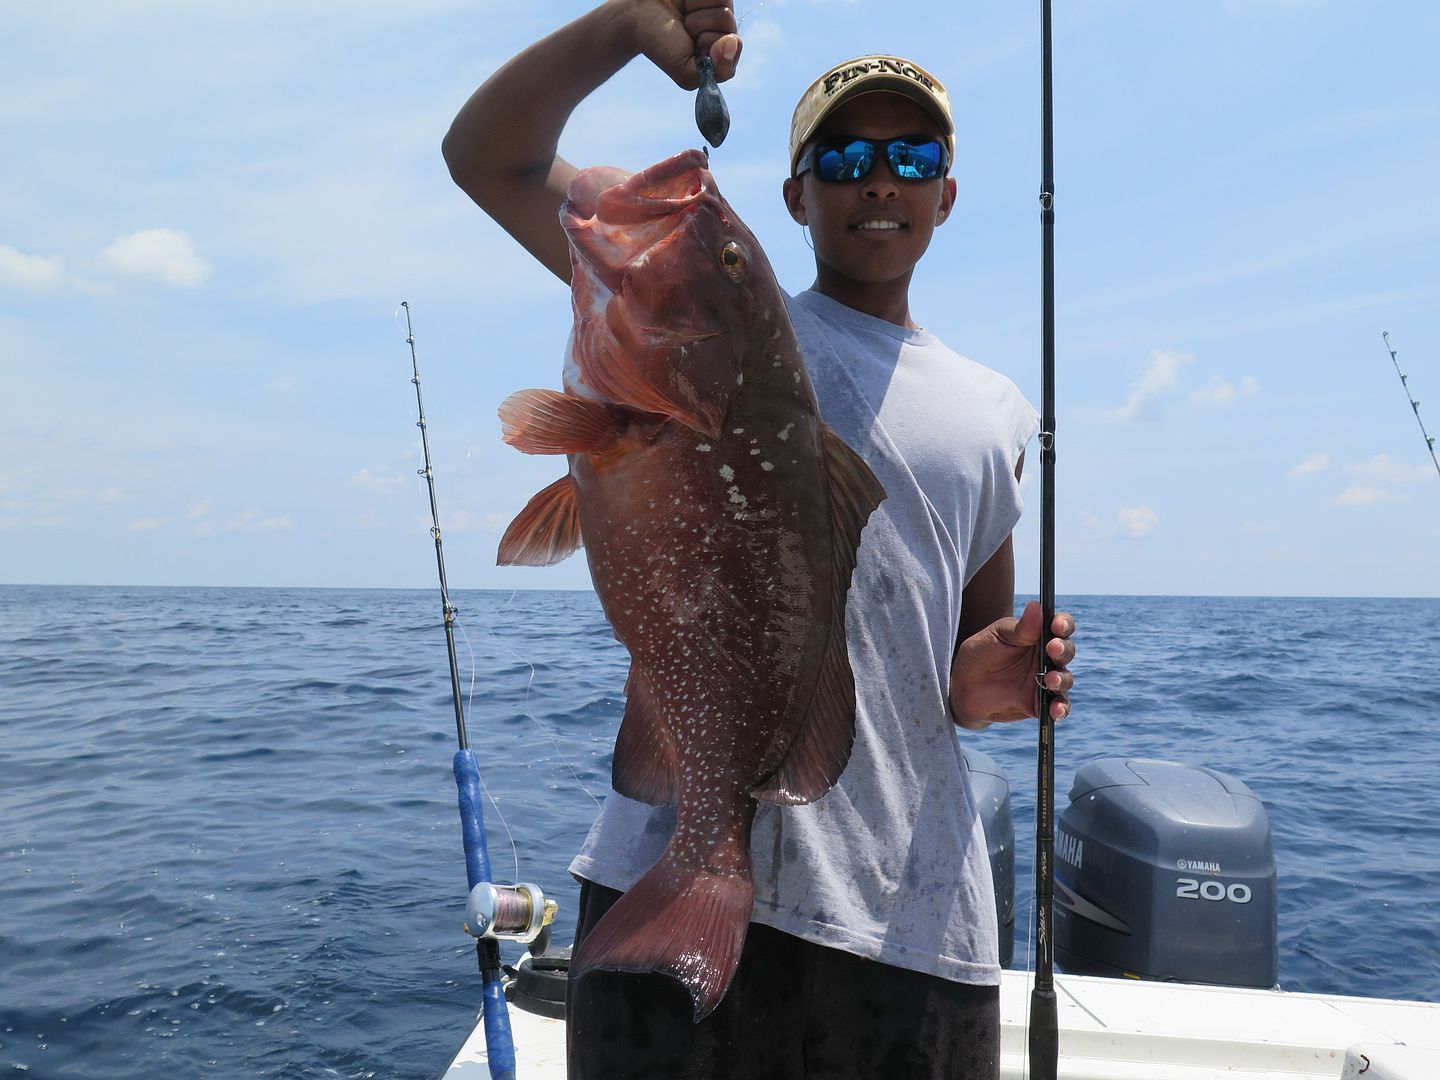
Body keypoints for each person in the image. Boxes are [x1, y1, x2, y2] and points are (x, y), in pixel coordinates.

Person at [444, 3, 1077, 1077]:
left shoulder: (995, 412)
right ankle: (707, 855)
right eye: (846, 156)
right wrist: (622, 27)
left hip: (906, 920)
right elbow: (489, 156)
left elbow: (958, 677)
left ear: (946, 194)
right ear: (798, 194)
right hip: (662, 855)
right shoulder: (694, 312)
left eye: (910, 155)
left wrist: (995, 680)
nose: (880, 178)